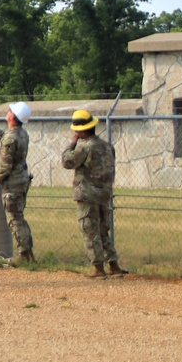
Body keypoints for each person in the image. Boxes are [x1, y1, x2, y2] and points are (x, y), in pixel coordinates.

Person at [61, 108, 128, 277]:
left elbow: (66, 161)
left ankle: (98, 268)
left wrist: (72, 143)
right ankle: (113, 265)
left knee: (90, 230)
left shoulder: (84, 148)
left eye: (76, 130)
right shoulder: (107, 146)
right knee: (103, 230)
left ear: (82, 130)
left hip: (87, 194)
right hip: (104, 194)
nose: (75, 132)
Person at [0, 100, 35, 262]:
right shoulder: (20, 134)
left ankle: (23, 253)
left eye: (10, 110)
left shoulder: (11, 138)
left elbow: (5, 165)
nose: (8, 111)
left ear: (13, 116)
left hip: (12, 185)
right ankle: (28, 252)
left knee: (14, 220)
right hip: (22, 181)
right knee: (20, 216)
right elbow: (2, 137)